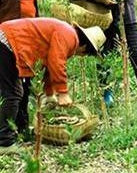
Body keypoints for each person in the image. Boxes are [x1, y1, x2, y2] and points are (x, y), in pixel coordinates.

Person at [0, 18, 105, 149]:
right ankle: (5, 142)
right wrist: (63, 93)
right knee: (13, 93)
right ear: (84, 48)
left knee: (23, 91)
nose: (81, 56)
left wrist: (50, 94)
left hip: (10, 40)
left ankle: (21, 130)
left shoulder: (66, 33)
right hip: (8, 41)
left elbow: (49, 67)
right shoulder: (69, 36)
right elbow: (57, 62)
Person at [0, 0, 40, 142]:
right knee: (12, 87)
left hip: (28, 38)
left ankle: (23, 127)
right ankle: (6, 134)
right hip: (8, 38)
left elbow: (33, 7)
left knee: (27, 82)